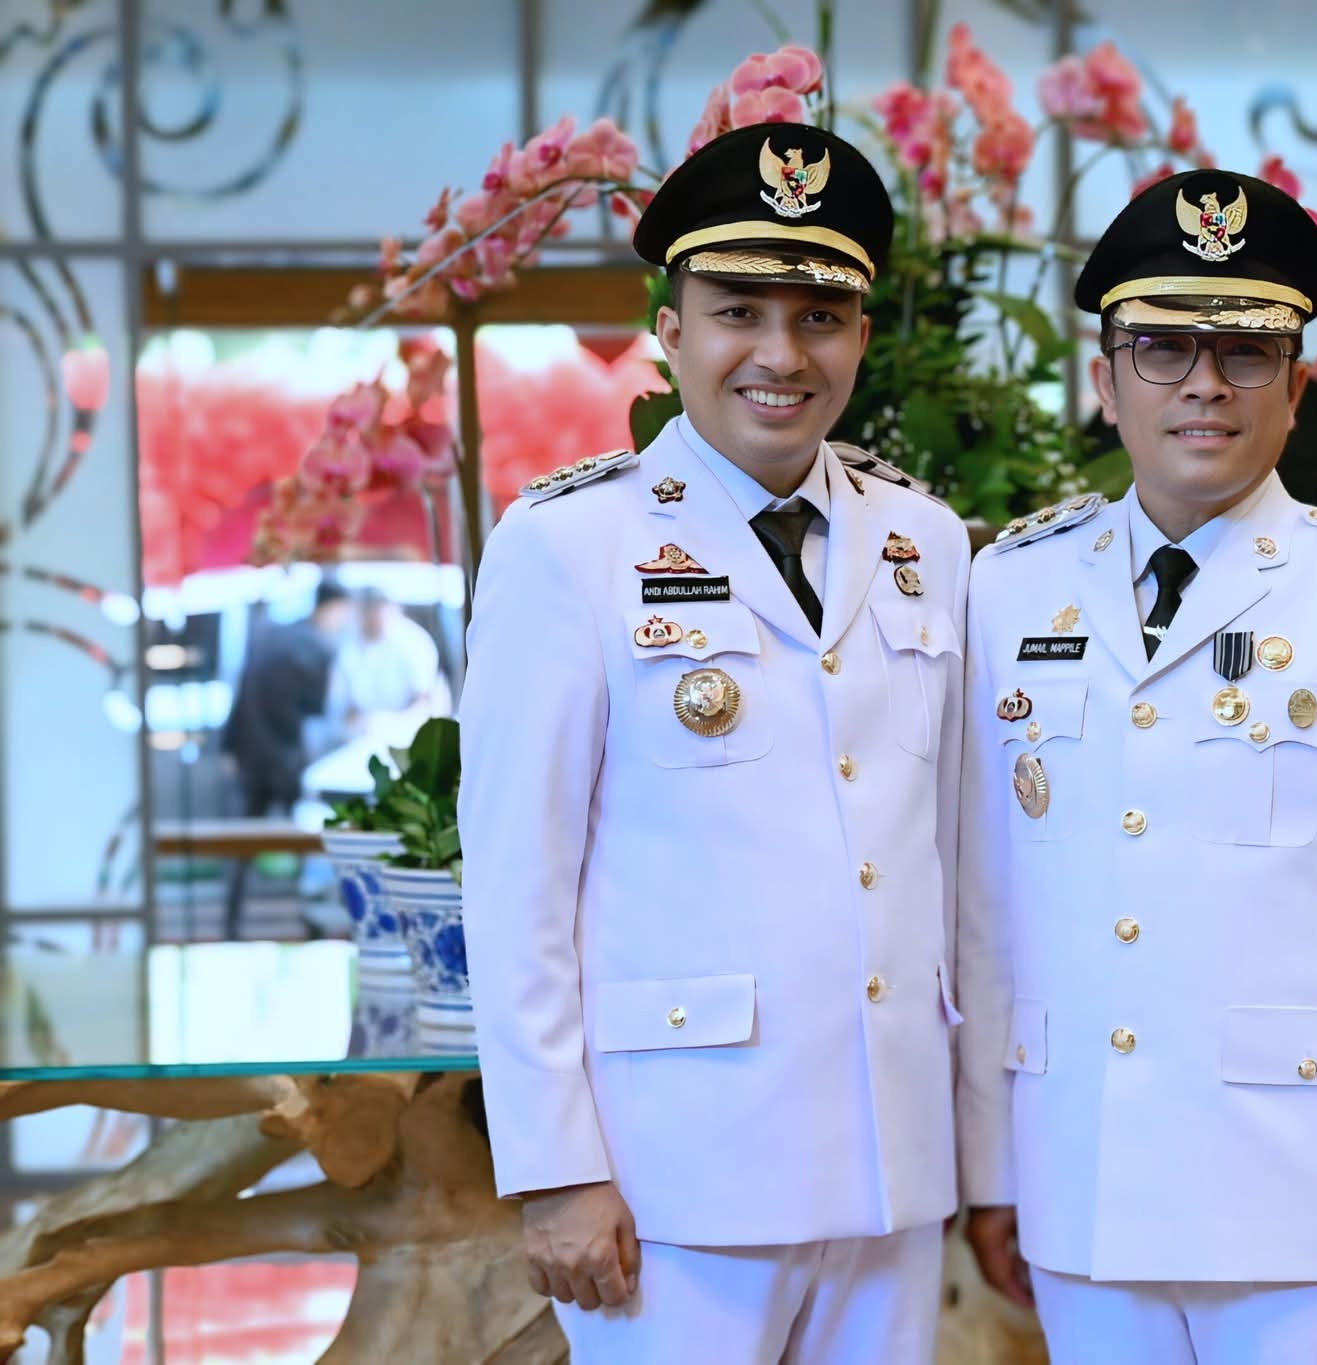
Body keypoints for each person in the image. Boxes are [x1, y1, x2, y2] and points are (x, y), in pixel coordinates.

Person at [954, 169, 1317, 1364]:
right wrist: (991, 1166)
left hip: (1314, 1203)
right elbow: (990, 906)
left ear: (1295, 388)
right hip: (1082, 1186)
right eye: (1161, 349)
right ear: (1104, 382)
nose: (1203, 384)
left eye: (1245, 353)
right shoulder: (1008, 587)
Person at [458, 122, 969, 1363]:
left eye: (819, 318)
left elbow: (950, 854)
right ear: (670, 330)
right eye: (738, 312)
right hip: (672, 1176)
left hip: (891, 1163)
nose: (780, 355)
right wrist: (554, 1166)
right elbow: (517, 882)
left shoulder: (926, 540)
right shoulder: (568, 544)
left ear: (861, 337)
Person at [219, 578, 350, 938]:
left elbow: (243, 692)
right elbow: (319, 709)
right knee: (309, 842)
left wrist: (229, 746)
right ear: (333, 608)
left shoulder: (271, 636)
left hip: (251, 754)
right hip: (289, 758)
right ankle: (314, 925)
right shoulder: (318, 647)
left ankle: (231, 924)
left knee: (244, 844)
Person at [326, 586, 448, 737]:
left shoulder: (415, 642)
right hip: (361, 734)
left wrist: (393, 724)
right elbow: (340, 706)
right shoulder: (347, 644)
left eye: (377, 612)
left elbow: (426, 701)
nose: (372, 620)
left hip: (411, 730)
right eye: (367, 614)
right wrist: (363, 723)